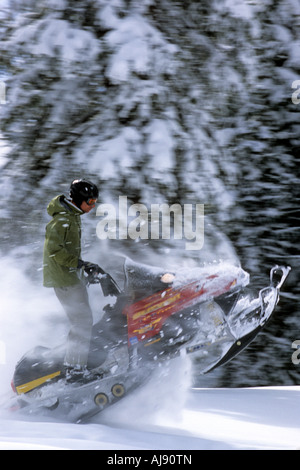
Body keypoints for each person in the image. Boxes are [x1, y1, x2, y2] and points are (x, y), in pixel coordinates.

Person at [43, 178, 101, 383]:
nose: (93, 206)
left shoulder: (72, 216)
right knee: (82, 321)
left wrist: (83, 268)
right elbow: (54, 252)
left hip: (69, 277)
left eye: (95, 202)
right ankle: (75, 371)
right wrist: (78, 264)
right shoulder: (61, 220)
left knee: (83, 320)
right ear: (79, 199)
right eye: (90, 202)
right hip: (63, 279)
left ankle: (74, 363)